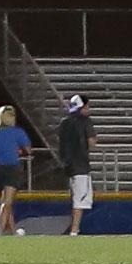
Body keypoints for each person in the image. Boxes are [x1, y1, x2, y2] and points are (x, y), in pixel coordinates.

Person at [0, 106, 31, 237]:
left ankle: (13, 230)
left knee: (5, 202)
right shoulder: (17, 132)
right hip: (12, 169)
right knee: (7, 203)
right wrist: (19, 150)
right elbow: (28, 149)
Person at [57, 95, 96, 236]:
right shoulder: (85, 121)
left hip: (68, 165)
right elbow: (91, 142)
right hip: (81, 165)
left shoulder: (64, 122)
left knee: (75, 197)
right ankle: (74, 230)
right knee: (80, 200)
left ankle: (74, 229)